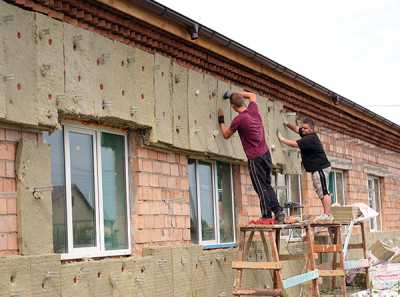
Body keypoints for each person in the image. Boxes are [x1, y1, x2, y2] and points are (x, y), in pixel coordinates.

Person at [217, 91, 285, 224]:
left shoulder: (239, 120)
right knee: (267, 185)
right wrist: (234, 93)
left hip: (255, 158)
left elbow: (225, 134)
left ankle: (266, 216)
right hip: (266, 154)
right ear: (243, 102)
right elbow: (253, 95)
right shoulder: (253, 110)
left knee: (260, 187)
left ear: (233, 107)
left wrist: (221, 120)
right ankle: (279, 211)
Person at [278, 117, 333, 221]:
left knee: (324, 191)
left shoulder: (310, 138)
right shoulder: (306, 134)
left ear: (312, 129)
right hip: (317, 169)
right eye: (303, 128)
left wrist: (282, 139)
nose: (303, 130)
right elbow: (297, 129)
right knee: (321, 191)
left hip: (320, 168)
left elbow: (295, 144)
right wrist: (286, 123)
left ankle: (328, 215)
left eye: (306, 128)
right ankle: (327, 214)